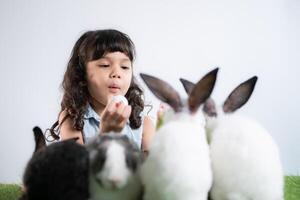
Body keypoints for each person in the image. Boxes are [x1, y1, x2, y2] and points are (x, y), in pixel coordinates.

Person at [50, 29, 156, 153]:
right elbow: (77, 168)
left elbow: (152, 169)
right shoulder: (72, 120)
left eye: (124, 67)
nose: (117, 73)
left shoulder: (144, 125)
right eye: (105, 65)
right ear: (82, 74)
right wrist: (106, 134)